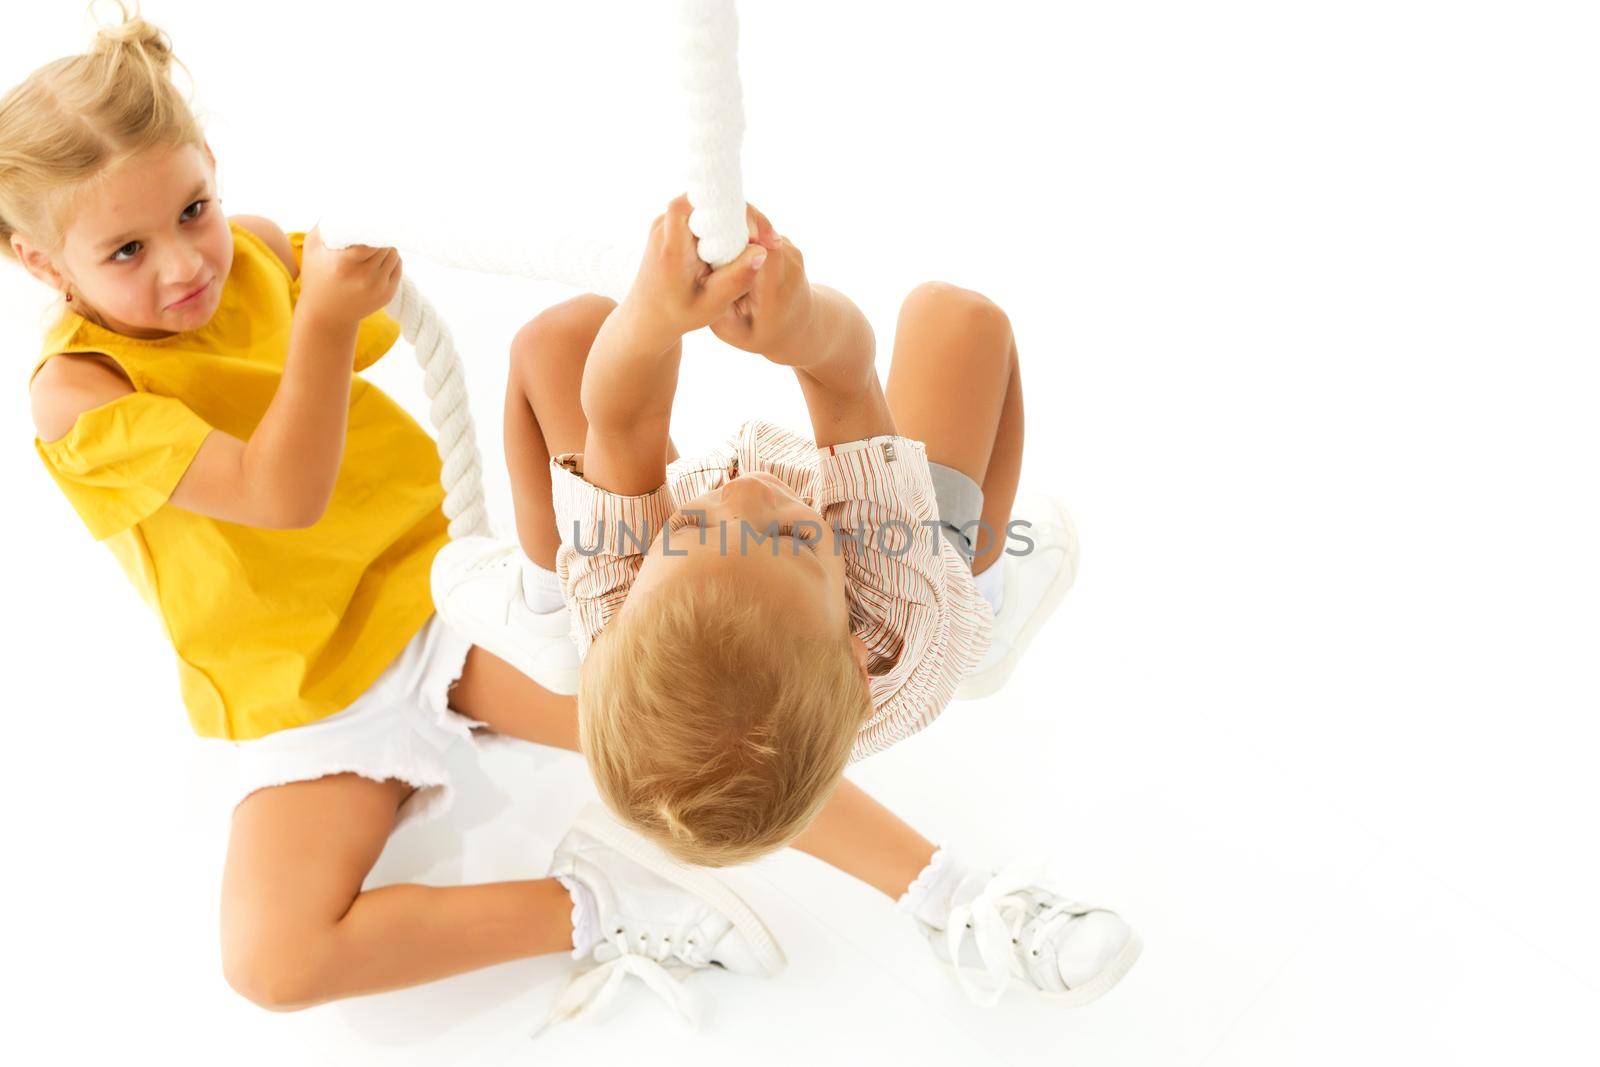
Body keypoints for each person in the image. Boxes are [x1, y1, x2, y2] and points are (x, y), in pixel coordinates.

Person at [3, 4, 1131, 1026]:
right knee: (272, 960)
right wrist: (330, 323)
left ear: (211, 171)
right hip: (297, 685)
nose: (186, 262)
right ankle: (595, 902)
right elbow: (276, 494)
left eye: (192, 207)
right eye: (127, 250)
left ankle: (951, 893)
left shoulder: (246, 251)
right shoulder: (73, 396)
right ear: (36, 258)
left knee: (717, 718)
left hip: (437, 598)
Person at [433, 196, 1139, 1008]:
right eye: (795, 539)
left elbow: (622, 415)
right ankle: (984, 587)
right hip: (905, 571)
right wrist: (800, 327)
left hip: (731, 594)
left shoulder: (621, 605)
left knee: (558, 339)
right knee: (960, 320)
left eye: (693, 525)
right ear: (852, 647)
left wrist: (655, 319)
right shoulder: (892, 601)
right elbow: (845, 377)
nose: (748, 492)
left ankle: (544, 592)